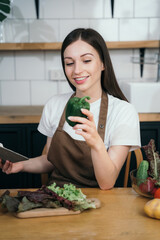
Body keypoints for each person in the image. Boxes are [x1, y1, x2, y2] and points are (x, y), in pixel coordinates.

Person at [0, 28, 141, 190]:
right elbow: (50, 161)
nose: (77, 70)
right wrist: (21, 165)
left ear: (103, 63)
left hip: (99, 201)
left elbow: (107, 182)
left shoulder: (123, 111)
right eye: (69, 63)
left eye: (86, 61)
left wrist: (96, 142)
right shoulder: (55, 105)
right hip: (56, 197)